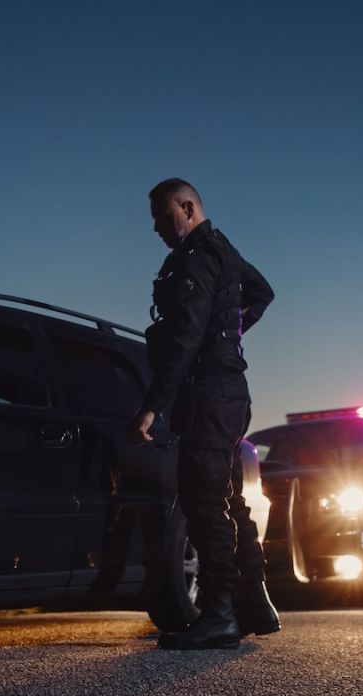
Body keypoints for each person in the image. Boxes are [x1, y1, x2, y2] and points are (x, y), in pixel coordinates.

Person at [129, 178, 279, 649]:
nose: (156, 227)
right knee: (230, 500)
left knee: (202, 503)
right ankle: (253, 605)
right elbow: (262, 292)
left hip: (211, 394)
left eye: (162, 215)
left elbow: (184, 340)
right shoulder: (224, 251)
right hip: (232, 392)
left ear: (188, 206)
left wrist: (152, 407)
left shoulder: (197, 258)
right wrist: (229, 332)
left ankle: (218, 616)